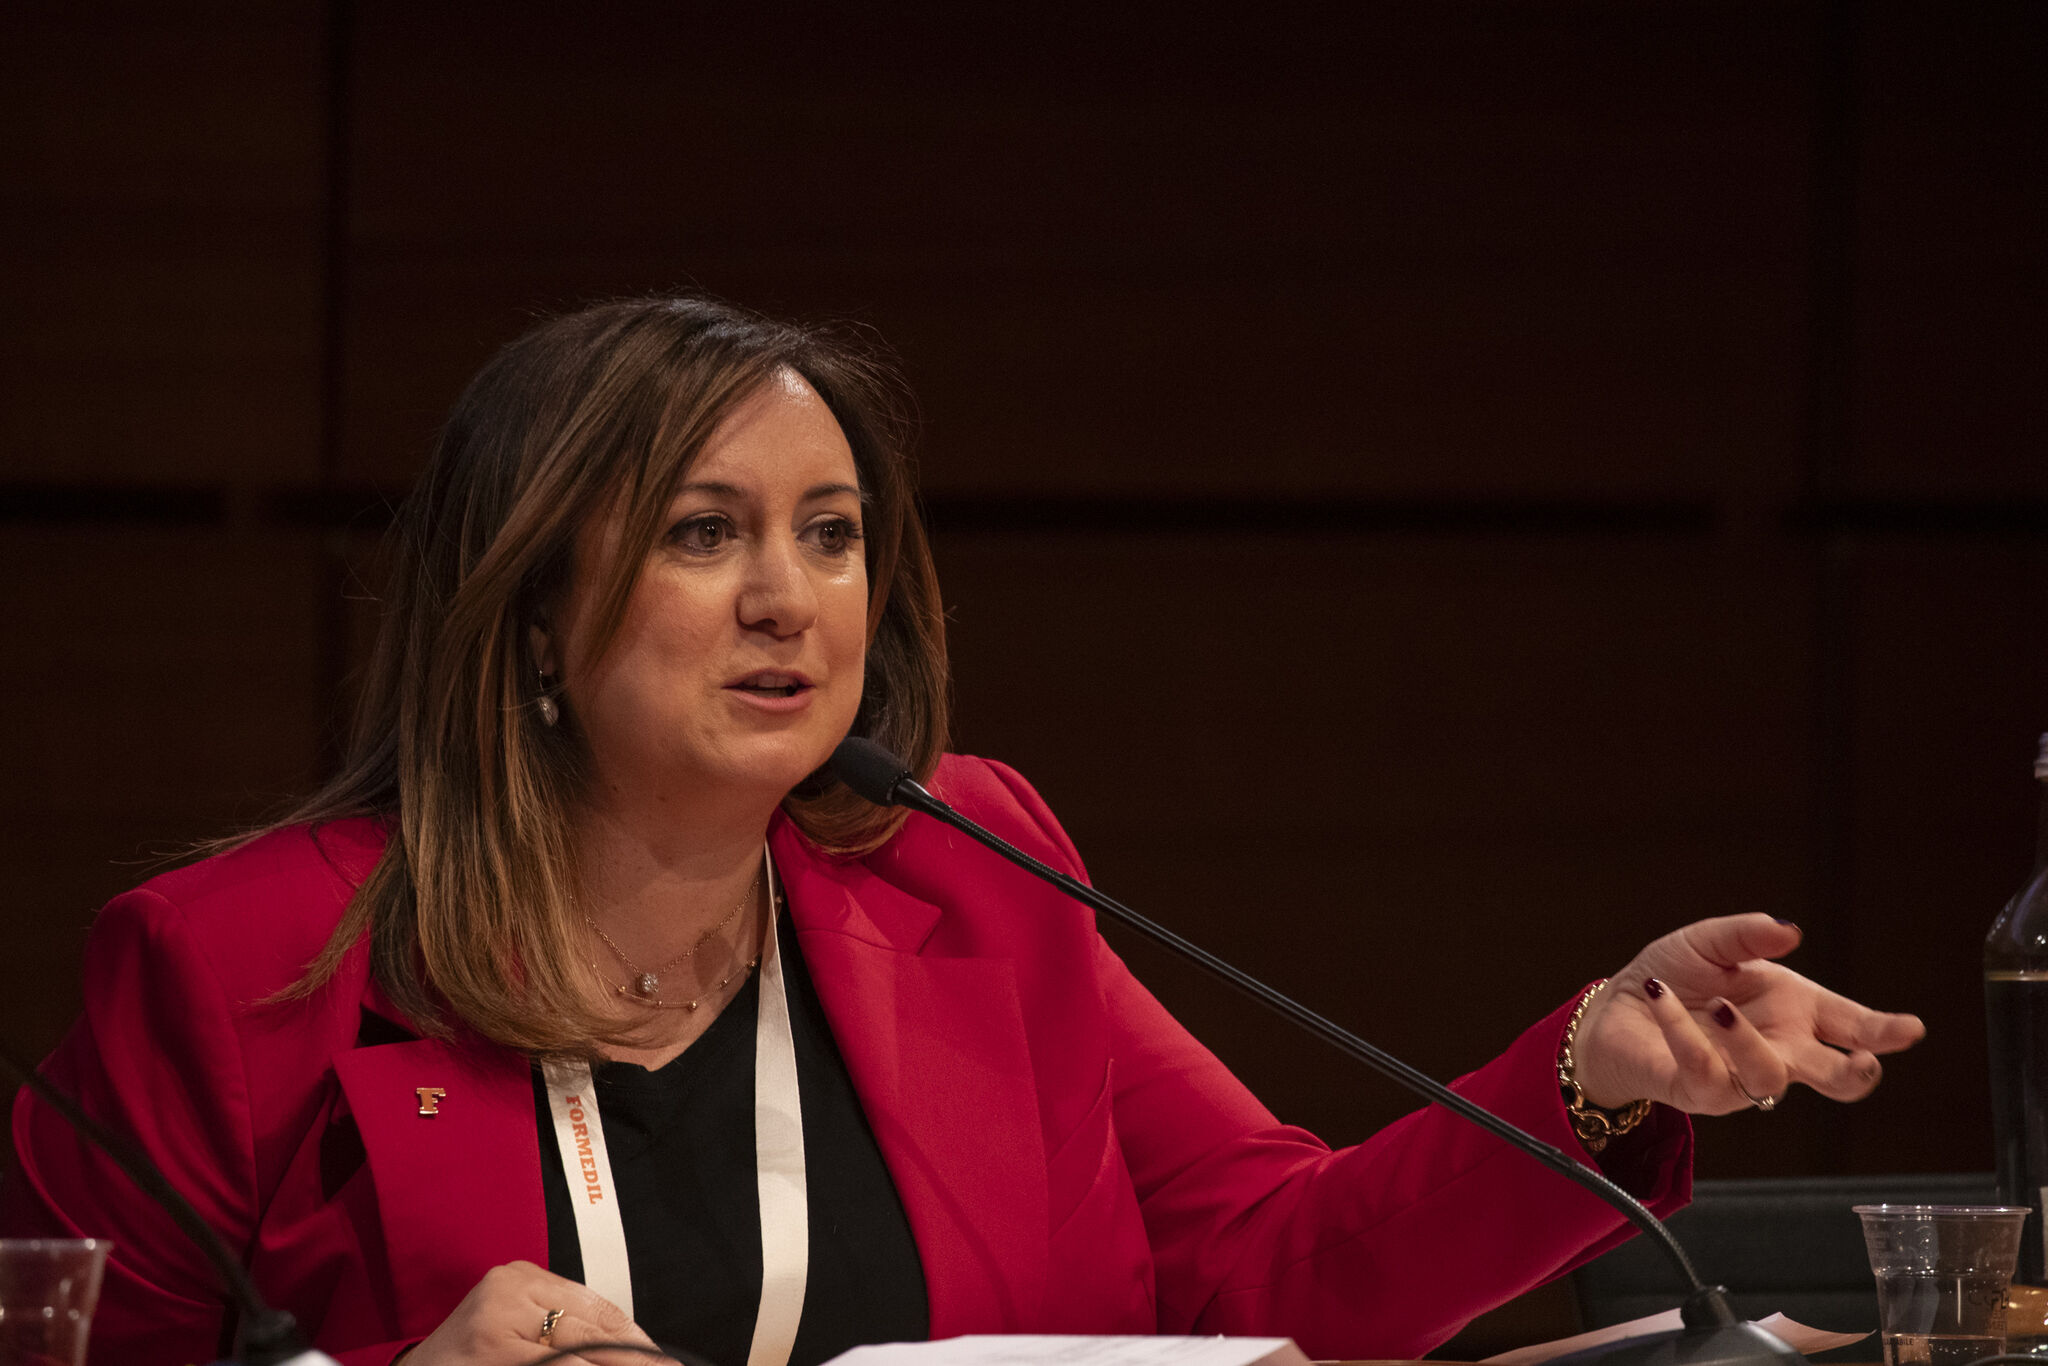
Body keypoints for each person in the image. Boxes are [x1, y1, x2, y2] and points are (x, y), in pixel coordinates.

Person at [3, 297, 1926, 1366]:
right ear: (525, 614)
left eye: (831, 534)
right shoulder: (237, 964)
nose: (790, 597)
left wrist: (1591, 1067)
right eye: (705, 532)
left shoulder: (965, 868)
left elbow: (1267, 1275)